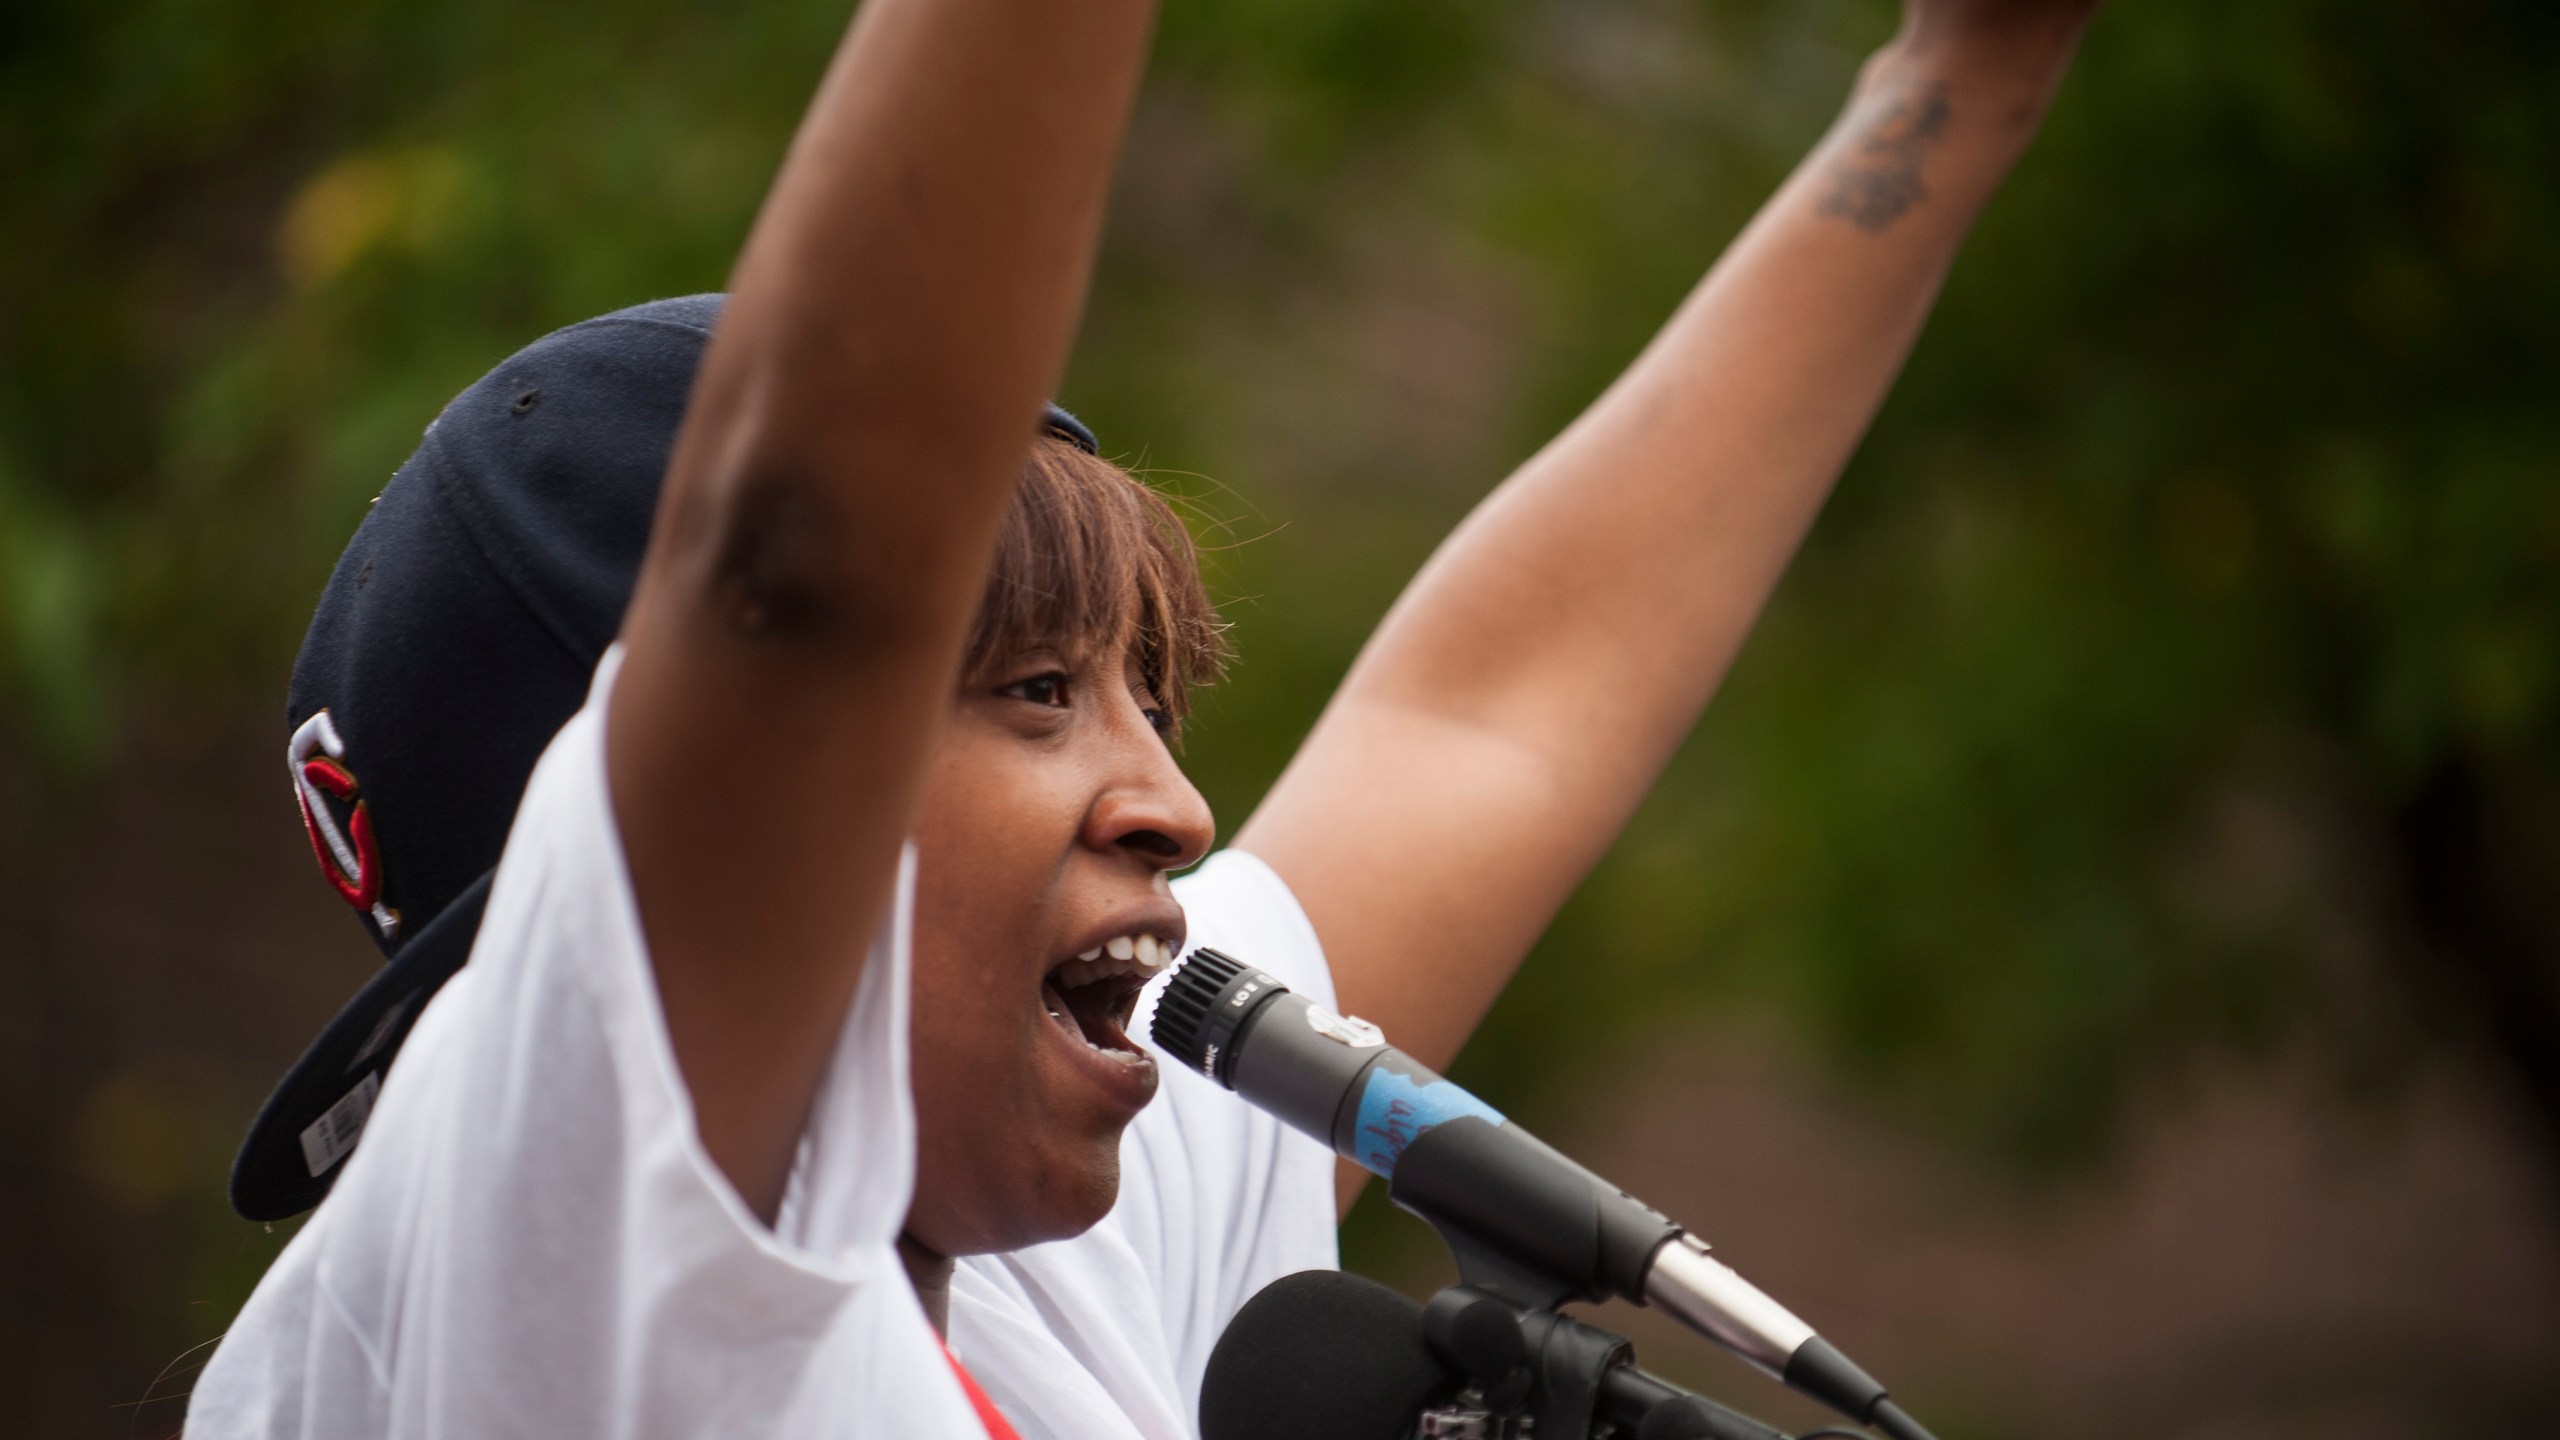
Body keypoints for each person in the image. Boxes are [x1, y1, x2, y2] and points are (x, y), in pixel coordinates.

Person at [189, 0, 2106, 1434]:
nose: (1177, 808)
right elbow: (825, 543)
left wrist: (1966, 72)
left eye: (1150, 695)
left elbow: (1488, 722)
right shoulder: (538, 1222)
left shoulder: (1031, 1257)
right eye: (1033, 691)